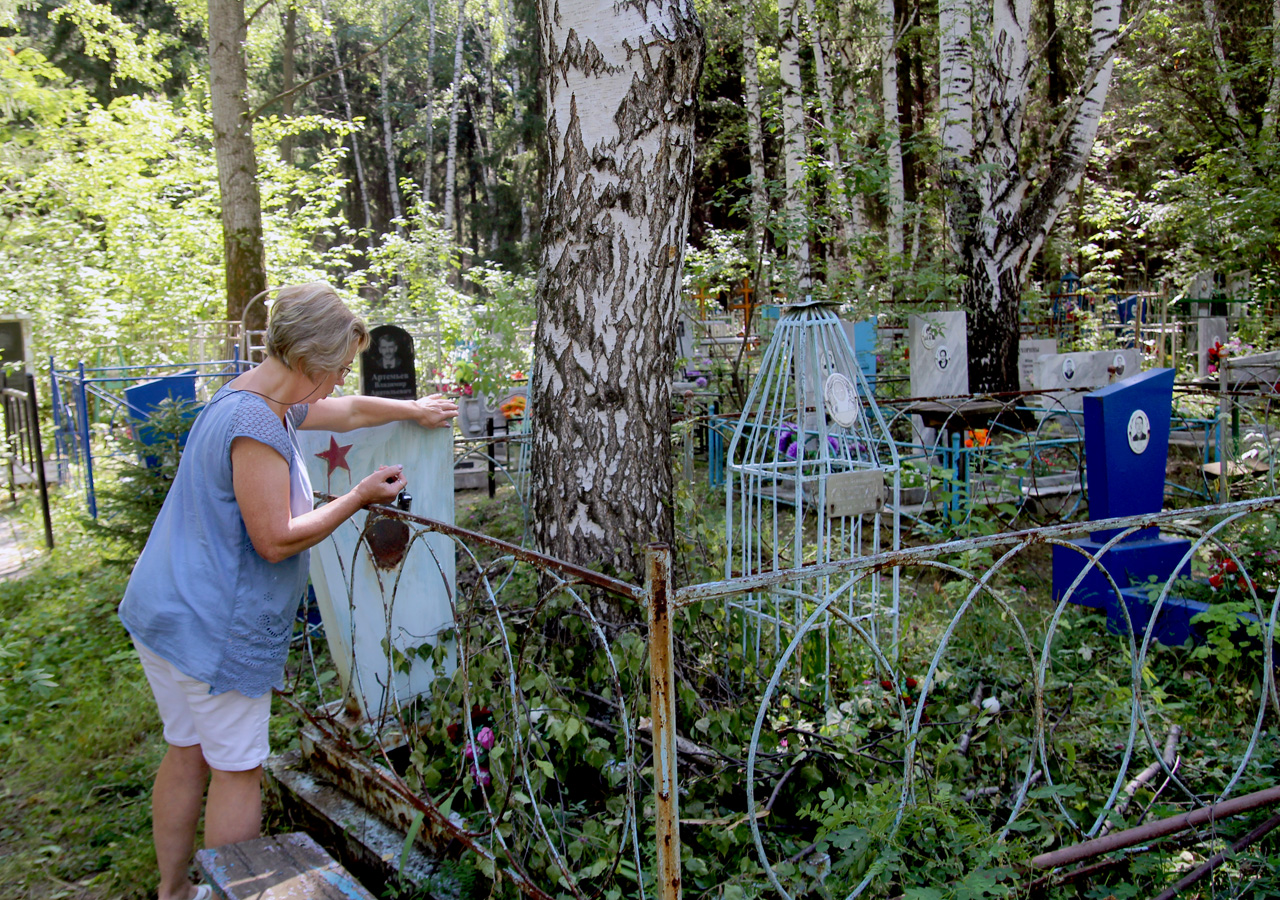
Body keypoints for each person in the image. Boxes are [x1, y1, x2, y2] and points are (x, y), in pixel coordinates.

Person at [118, 283, 457, 900]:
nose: (335, 382)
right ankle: (224, 890)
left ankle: (173, 892)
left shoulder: (249, 399)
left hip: (165, 610)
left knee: (187, 751)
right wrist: (357, 497)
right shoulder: (259, 426)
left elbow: (350, 412)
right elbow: (274, 540)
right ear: (305, 359)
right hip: (212, 628)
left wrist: (415, 411)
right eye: (333, 369)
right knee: (238, 772)